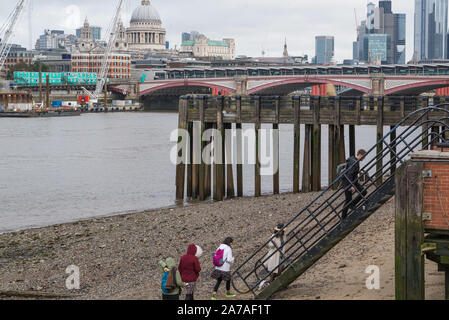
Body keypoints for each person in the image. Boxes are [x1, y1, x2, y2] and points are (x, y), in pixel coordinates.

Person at [341, 149, 368, 220]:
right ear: (360, 155)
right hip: (348, 183)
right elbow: (349, 174)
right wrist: (351, 186)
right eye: (364, 156)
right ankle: (343, 217)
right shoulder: (354, 162)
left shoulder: (354, 160)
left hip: (352, 181)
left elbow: (351, 172)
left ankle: (352, 204)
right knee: (348, 199)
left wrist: (357, 171)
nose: (364, 158)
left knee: (363, 191)